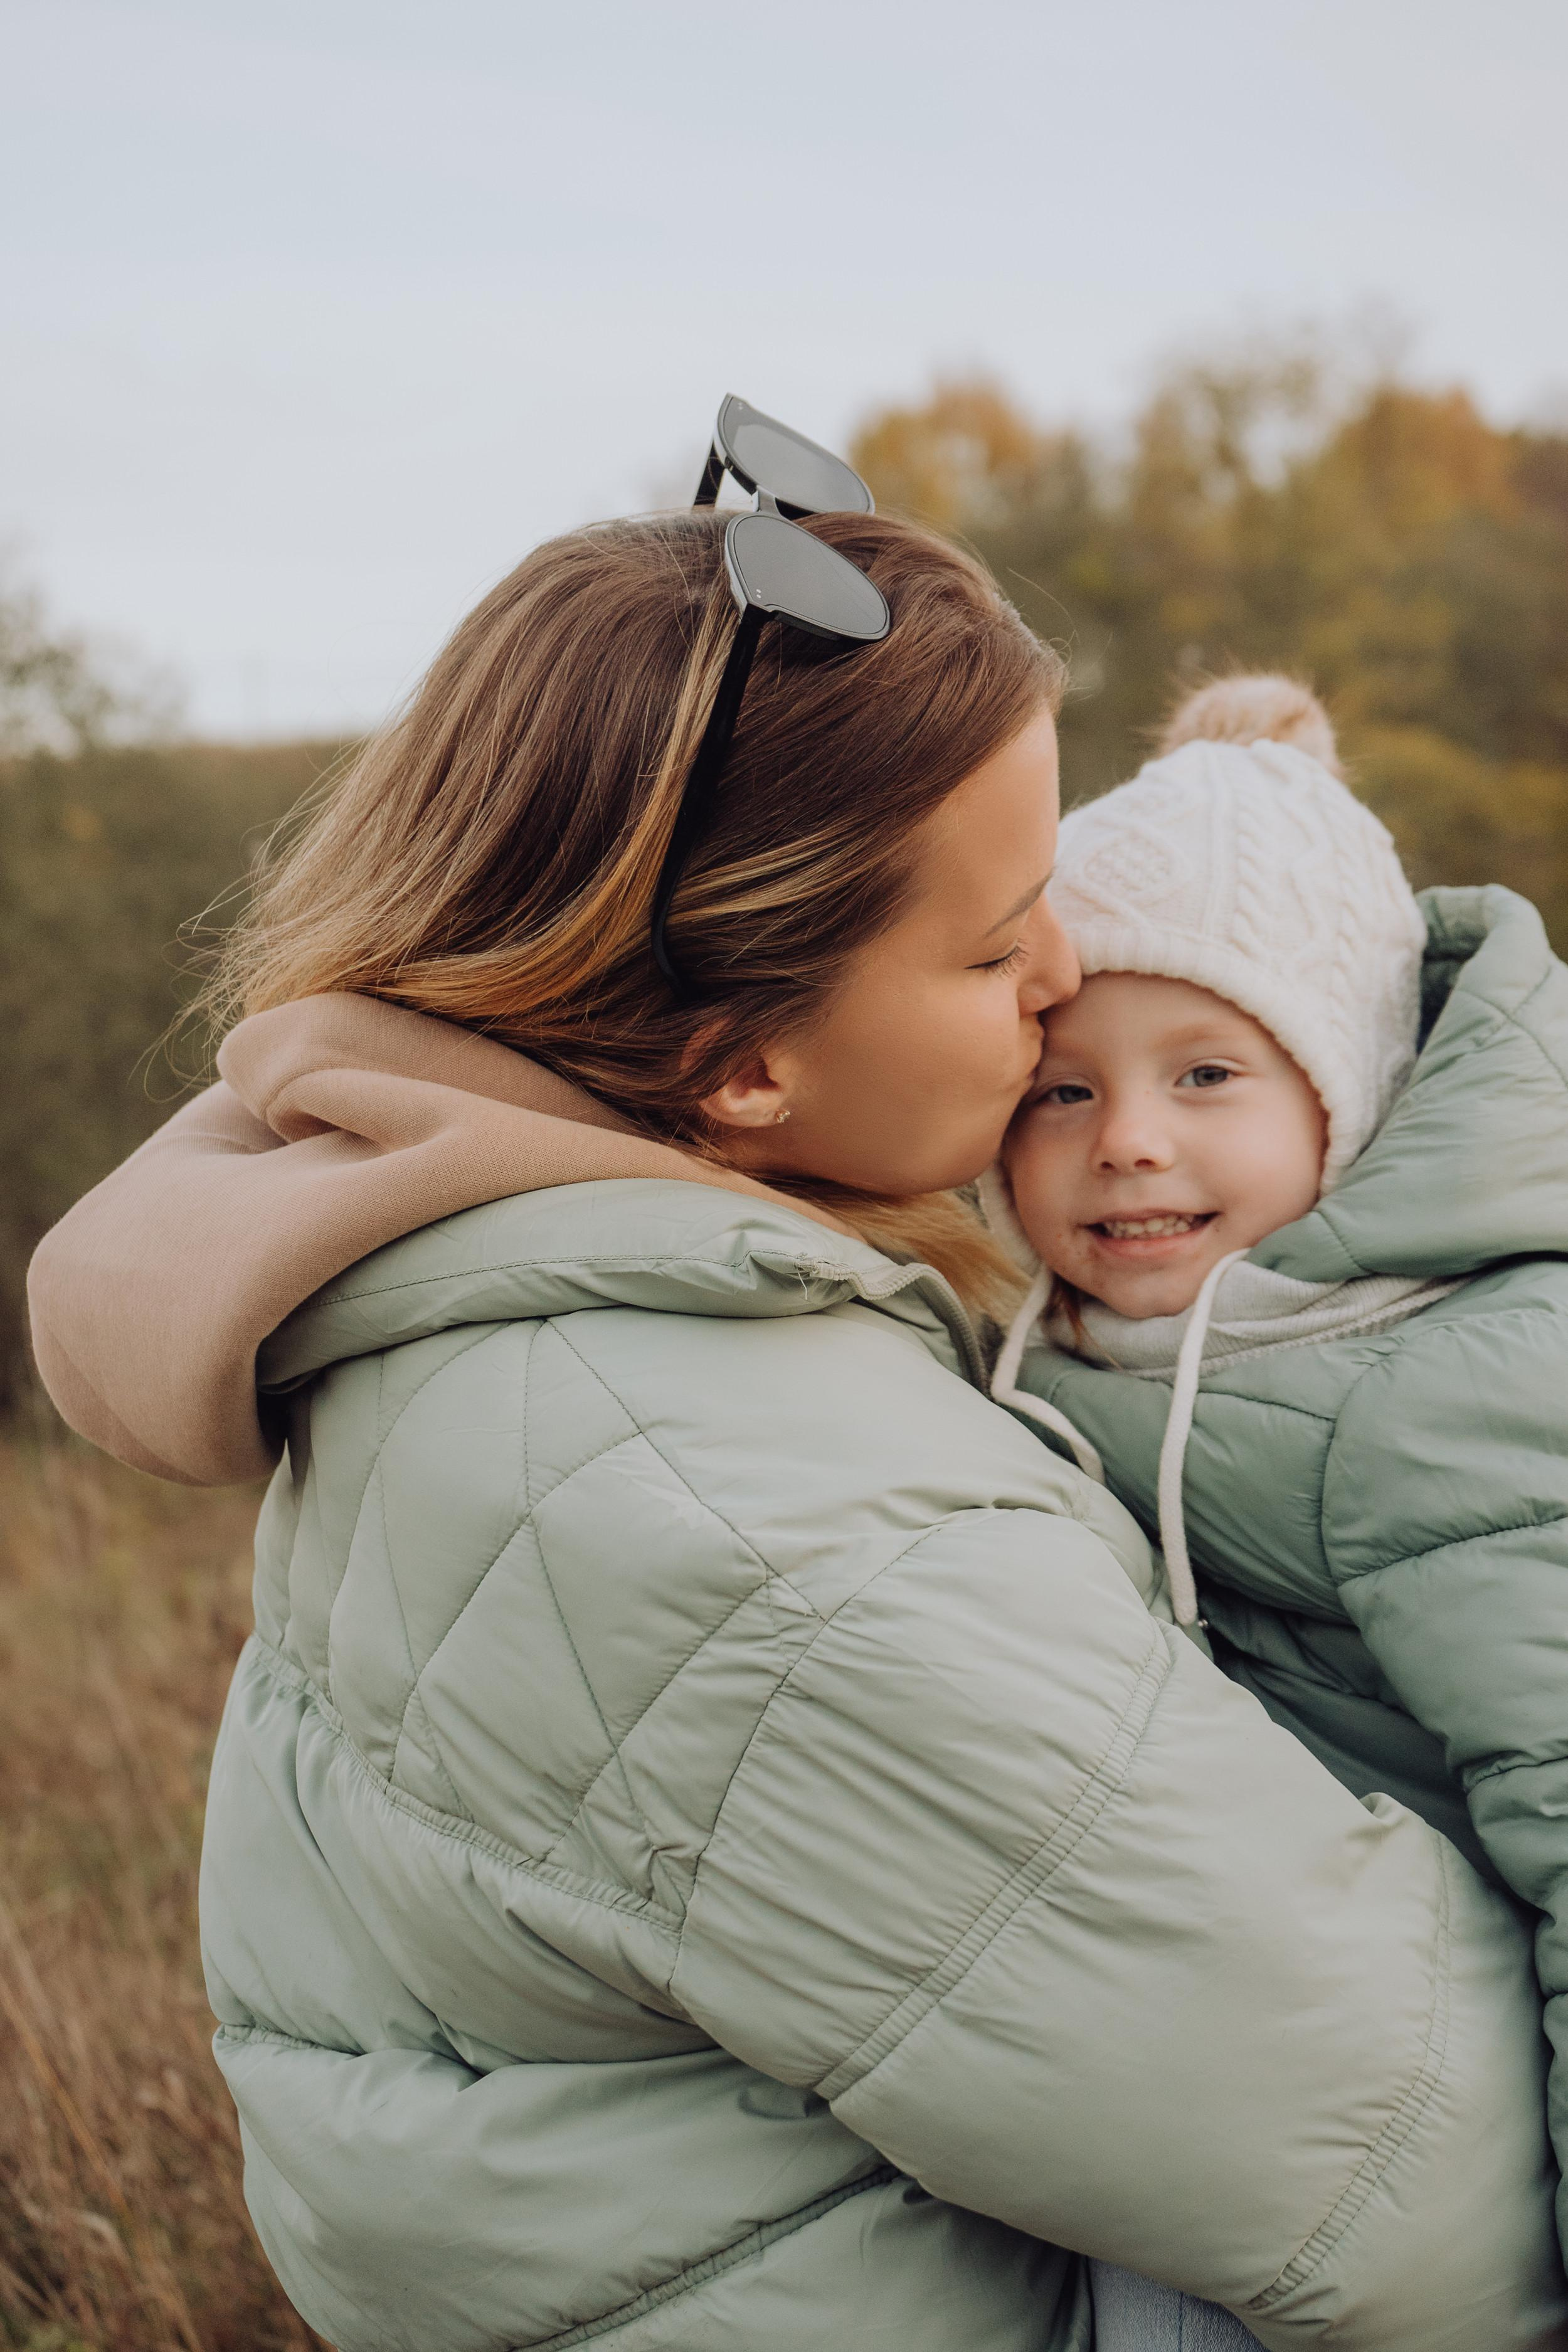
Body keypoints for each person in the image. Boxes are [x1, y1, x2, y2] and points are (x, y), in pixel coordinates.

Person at [28, 418, 1568, 2352]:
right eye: (1002, 940)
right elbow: (1420, 2180)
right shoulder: (749, 1512)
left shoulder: (483, 1267)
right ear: (745, 1065)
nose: (1063, 970)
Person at [988, 672, 1568, 2319]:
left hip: (1445, 2103)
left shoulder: (1451, 1386)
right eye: (1064, 1087)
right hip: (1201, 2075)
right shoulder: (1046, 1343)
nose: (1125, 1144)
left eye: (1205, 1075)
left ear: (1351, 1085)